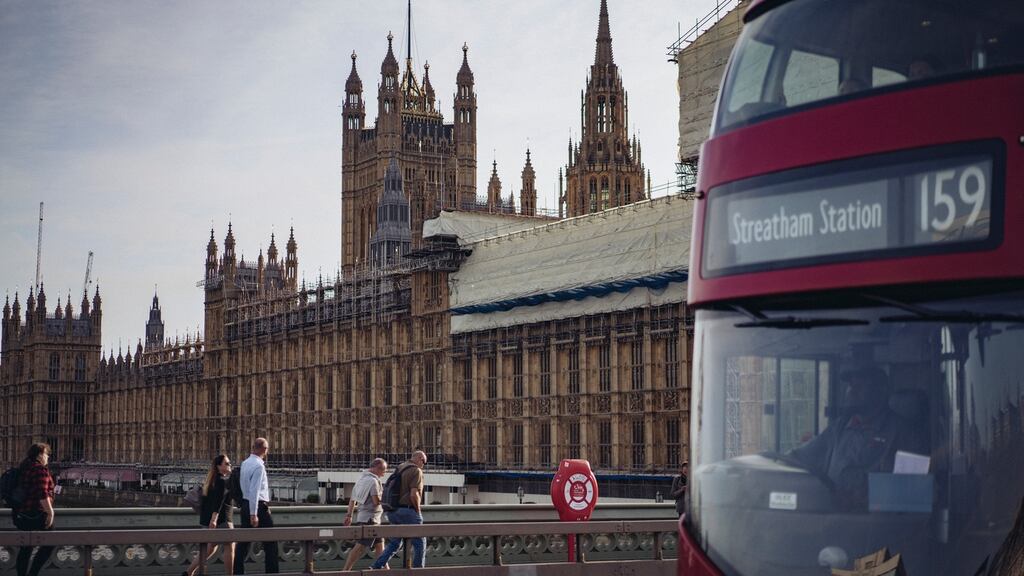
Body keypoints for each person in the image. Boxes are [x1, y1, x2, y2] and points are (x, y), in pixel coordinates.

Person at [790, 365, 927, 508]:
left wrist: (861, 497)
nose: (851, 391)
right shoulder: (840, 427)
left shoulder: (905, 433)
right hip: (831, 521)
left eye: (860, 385)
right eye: (850, 385)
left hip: (876, 525)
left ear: (880, 390)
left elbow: (913, 492)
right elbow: (799, 457)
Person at [371, 451, 427, 569]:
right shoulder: (416, 470)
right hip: (408, 511)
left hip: (393, 511)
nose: (424, 465)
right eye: (424, 462)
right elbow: (414, 494)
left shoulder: (401, 467)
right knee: (420, 542)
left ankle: (376, 566)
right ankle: (418, 570)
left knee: (395, 543)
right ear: (420, 459)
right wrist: (418, 510)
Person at [184, 454, 235, 576]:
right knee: (230, 547)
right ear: (219, 466)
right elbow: (218, 501)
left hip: (208, 519)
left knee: (210, 547)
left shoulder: (211, 480)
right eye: (227, 463)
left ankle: (188, 572)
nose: (230, 465)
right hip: (222, 519)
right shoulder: (222, 481)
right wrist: (214, 518)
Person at [234, 438, 279, 574]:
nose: (267, 452)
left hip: (245, 505)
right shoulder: (259, 466)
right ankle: (272, 572)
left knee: (243, 543)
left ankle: (238, 572)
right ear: (263, 449)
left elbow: (243, 487)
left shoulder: (245, 463)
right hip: (258, 507)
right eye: (267, 449)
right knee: (270, 543)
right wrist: (254, 514)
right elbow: (255, 490)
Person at [12, 443, 55, 576]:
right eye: (47, 454)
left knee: (25, 549)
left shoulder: (25, 467)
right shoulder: (39, 469)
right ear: (40, 454)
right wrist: (50, 512)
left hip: (21, 515)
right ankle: (33, 574)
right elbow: (42, 493)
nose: (48, 457)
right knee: (51, 542)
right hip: (36, 514)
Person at [342, 458, 388, 572]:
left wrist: (349, 515)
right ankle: (345, 571)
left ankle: (386, 571)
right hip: (370, 520)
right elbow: (376, 501)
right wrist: (388, 500)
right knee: (360, 548)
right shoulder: (373, 481)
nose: (384, 473)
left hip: (364, 518)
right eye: (384, 470)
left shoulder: (361, 479)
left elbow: (352, 500)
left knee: (380, 549)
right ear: (377, 468)